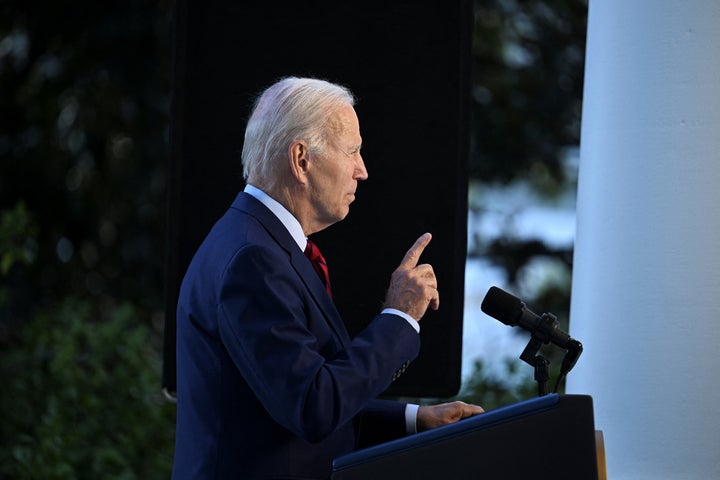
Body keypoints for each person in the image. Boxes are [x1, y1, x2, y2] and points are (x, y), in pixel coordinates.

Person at [172, 76, 484, 479]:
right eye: (352, 151)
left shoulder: (256, 241)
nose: (363, 170)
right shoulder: (254, 260)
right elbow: (312, 407)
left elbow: (297, 394)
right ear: (301, 160)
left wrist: (413, 420)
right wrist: (400, 317)